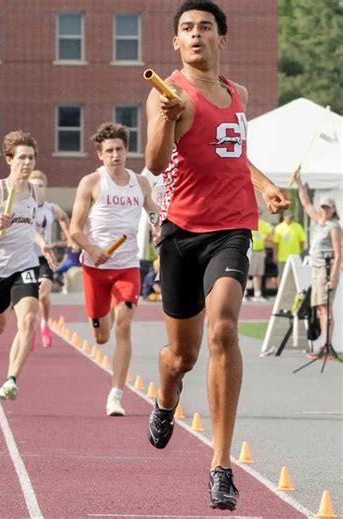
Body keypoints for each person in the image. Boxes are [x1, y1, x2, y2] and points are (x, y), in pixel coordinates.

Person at [144, 1, 290, 511]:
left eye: (205, 27)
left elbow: (233, 148)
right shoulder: (166, 93)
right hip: (181, 232)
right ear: (176, 42)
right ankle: (166, 398)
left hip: (232, 228)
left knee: (224, 328)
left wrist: (266, 185)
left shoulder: (237, 94)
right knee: (180, 356)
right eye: (187, 28)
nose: (196, 34)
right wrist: (165, 121)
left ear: (221, 38)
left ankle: (221, 466)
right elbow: (156, 161)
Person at [70, 122, 160, 417]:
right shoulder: (91, 183)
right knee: (101, 337)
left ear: (127, 150)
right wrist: (93, 249)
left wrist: (158, 225)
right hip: (95, 268)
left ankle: (116, 394)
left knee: (124, 325)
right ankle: (100, 315)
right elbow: (74, 229)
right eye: (109, 151)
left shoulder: (140, 183)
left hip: (127, 267)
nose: (115, 155)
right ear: (100, 154)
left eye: (119, 149)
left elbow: (153, 211)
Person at [0, 130, 56, 401]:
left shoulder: (35, 193)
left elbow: (30, 227)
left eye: (31, 158)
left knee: (28, 319)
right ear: (9, 159)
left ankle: (11, 379)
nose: (27, 163)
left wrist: (42, 245)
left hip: (25, 266)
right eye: (21, 158)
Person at [294, 172, 341, 353]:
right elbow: (306, 203)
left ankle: (327, 345)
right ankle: (324, 344)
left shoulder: (334, 227)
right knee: (320, 308)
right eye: (322, 207)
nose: (324, 210)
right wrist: (299, 184)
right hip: (316, 268)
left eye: (327, 207)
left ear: (333, 209)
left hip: (325, 268)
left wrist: (333, 278)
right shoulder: (319, 221)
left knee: (325, 307)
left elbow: (339, 254)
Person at [28, 169, 72, 348]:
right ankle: (28, 329)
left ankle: (45, 324)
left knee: (44, 294)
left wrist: (69, 237)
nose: (37, 189)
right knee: (28, 300)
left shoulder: (51, 208)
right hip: (24, 260)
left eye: (40, 186)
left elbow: (64, 217)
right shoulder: (23, 207)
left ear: (45, 188)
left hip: (44, 258)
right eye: (33, 186)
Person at [273, 212, 306, 285]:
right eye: (289, 217)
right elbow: (276, 244)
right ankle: (280, 292)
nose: (290, 219)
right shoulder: (279, 228)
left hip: (295, 256)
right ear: (284, 217)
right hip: (282, 257)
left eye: (291, 217)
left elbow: (302, 241)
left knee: (295, 275)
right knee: (281, 275)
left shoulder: (298, 227)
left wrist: (301, 252)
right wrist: (275, 255)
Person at [248, 211, 273, 301]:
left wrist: (266, 239)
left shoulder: (262, 224)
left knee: (258, 273)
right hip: (250, 250)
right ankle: (244, 293)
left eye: (259, 213)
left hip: (259, 251)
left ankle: (257, 293)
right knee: (247, 273)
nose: (258, 215)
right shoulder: (248, 222)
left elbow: (270, 234)